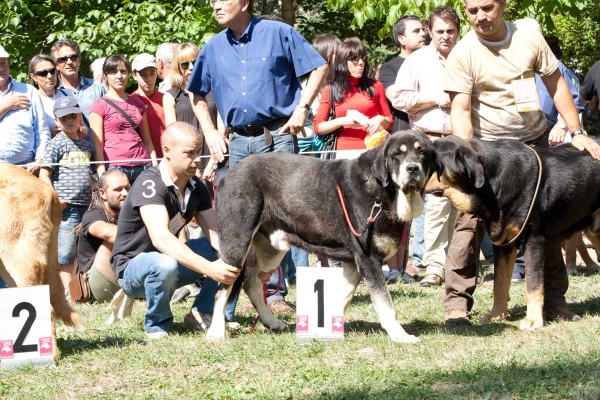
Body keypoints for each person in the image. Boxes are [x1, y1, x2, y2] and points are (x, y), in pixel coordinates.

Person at [442, 0, 600, 326]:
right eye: (472, 11)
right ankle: (457, 306)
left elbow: (555, 83)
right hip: (488, 154)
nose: (480, 17)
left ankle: (553, 301)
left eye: (487, 8)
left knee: (546, 227)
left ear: (501, 4)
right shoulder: (463, 53)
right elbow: (459, 112)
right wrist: (469, 161)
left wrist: (576, 131)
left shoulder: (528, 33)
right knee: (468, 225)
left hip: (534, 145)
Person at [187, 0, 328, 315]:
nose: (215, 5)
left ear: (245, 3)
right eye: (213, 0)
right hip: (237, 141)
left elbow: (320, 66)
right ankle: (222, 309)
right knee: (238, 224)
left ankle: (301, 302)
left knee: (294, 216)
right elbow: (195, 94)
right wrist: (210, 132)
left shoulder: (279, 32)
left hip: (277, 137)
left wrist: (303, 107)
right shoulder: (213, 47)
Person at [110, 122, 241, 339]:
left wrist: (238, 257)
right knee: (165, 263)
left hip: (169, 262)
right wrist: (209, 268)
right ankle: (157, 325)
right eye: (189, 153)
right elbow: (160, 238)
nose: (197, 158)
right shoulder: (149, 183)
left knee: (228, 250)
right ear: (167, 152)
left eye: (198, 152)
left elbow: (216, 234)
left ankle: (202, 312)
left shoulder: (197, 186)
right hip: (132, 269)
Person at [393, 6, 460, 287]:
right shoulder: (417, 61)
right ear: (430, 32)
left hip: (462, 139)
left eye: (450, 31)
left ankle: (460, 265)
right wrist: (434, 97)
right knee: (436, 203)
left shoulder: (468, 55)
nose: (445, 36)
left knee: (463, 205)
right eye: (439, 31)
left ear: (458, 31)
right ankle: (434, 266)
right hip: (429, 142)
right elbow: (398, 98)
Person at [40, 96, 94, 296]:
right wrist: (55, 200)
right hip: (67, 206)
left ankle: (80, 287)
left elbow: (89, 172)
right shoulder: (56, 144)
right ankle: (66, 291)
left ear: (80, 116)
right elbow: (44, 173)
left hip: (86, 205)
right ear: (56, 120)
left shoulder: (86, 144)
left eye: (73, 116)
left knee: (82, 248)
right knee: (66, 251)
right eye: (64, 118)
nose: (69, 121)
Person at [313, 37, 392, 153]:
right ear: (342, 61)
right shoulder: (330, 89)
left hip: (373, 151)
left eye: (363, 58)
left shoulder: (376, 86)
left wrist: (380, 119)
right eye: (354, 58)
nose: (360, 63)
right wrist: (344, 121)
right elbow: (318, 128)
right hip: (342, 154)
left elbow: (389, 122)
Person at [90, 54, 157, 183]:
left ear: (129, 74)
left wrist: (155, 166)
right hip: (115, 168)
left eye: (123, 71)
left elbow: (147, 140)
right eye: (113, 72)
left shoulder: (138, 103)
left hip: (142, 165)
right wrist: (102, 176)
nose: (119, 76)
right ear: (105, 75)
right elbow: (98, 146)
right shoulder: (99, 105)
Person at [163, 43, 218, 176]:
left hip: (217, 159)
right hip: (186, 164)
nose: (191, 68)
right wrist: (192, 167)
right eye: (185, 65)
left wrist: (213, 163)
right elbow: (173, 135)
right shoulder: (171, 96)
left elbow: (222, 131)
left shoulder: (215, 91)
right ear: (178, 68)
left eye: (195, 62)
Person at [76, 170, 130, 302]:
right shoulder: (93, 214)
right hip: (94, 286)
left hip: (122, 279)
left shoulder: (132, 215)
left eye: (127, 188)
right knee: (114, 238)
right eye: (118, 189)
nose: (125, 193)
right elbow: (106, 232)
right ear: (102, 193)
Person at [0, 45, 50, 175]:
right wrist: (5, 106)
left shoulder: (29, 91)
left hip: (25, 169)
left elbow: (41, 130)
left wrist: (39, 160)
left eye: (3, 63)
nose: (1, 68)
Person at [51, 40, 106, 146]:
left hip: (98, 151)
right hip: (68, 155)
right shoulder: (53, 91)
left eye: (73, 57)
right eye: (63, 59)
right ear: (56, 65)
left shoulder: (96, 87)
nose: (69, 62)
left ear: (79, 61)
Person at [379, 15, 427, 132]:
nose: (423, 34)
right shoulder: (389, 69)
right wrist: (437, 98)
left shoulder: (434, 62)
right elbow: (399, 100)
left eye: (423, 30)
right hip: (406, 136)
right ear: (401, 39)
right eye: (416, 31)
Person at [27, 54, 80, 138]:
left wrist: (76, 128)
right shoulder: (31, 100)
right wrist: (50, 133)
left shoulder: (67, 94)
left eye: (52, 71)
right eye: (43, 73)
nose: (49, 76)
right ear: (33, 77)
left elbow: (84, 131)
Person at [131, 53, 166, 159]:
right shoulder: (130, 102)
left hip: (166, 158)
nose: (149, 79)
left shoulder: (166, 99)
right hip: (140, 160)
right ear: (134, 75)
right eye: (143, 74)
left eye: (152, 73)